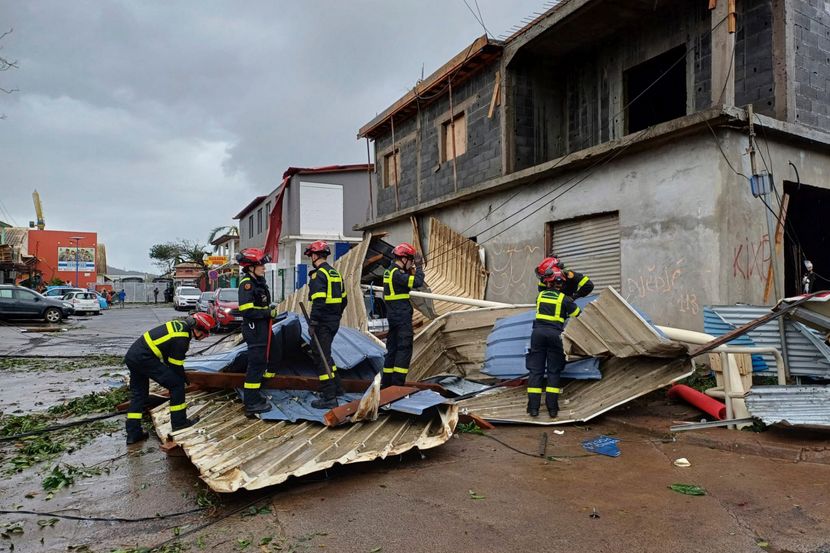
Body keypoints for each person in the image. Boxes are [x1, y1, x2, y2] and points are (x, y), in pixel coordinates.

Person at [123, 312, 215, 444]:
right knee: (177, 385)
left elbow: (168, 356)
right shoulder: (182, 337)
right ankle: (179, 423)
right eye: (205, 333)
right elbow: (175, 365)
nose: (204, 336)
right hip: (145, 359)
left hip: (133, 356)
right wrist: (184, 379)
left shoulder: (178, 326)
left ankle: (133, 434)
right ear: (199, 328)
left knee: (138, 395)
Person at [526, 266, 581, 418]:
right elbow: (577, 314)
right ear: (561, 284)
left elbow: (541, 285)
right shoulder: (564, 299)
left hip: (537, 335)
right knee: (553, 371)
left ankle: (533, 409)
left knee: (535, 371)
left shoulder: (540, 296)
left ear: (548, 283)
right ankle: (552, 410)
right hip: (555, 336)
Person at [304, 241, 348, 409]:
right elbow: (344, 300)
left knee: (320, 356)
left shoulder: (318, 275)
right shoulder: (335, 273)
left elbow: (319, 301)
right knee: (326, 355)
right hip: (333, 320)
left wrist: (314, 322)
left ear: (315, 256)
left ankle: (329, 396)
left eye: (311, 256)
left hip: (322, 322)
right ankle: (337, 388)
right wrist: (335, 315)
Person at [236, 248, 276, 416]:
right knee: (256, 363)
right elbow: (247, 310)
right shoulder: (247, 284)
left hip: (262, 328)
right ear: (251, 267)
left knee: (262, 362)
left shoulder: (258, 282)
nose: (264, 268)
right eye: (261, 265)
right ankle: (251, 403)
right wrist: (267, 313)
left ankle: (255, 395)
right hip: (254, 329)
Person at [381, 243, 425, 388]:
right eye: (411, 260)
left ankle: (386, 384)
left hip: (393, 316)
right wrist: (419, 267)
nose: (412, 263)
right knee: (404, 349)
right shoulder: (397, 274)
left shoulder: (389, 271)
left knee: (392, 349)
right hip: (402, 317)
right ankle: (397, 386)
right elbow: (418, 282)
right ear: (404, 259)